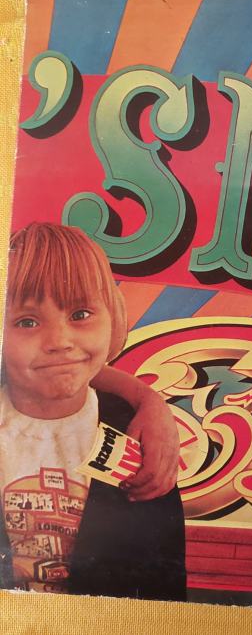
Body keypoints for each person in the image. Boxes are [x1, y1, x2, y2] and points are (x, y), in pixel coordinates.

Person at [0, 222, 186, 599]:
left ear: (111, 315)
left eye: (80, 314)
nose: (60, 341)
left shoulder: (138, 431)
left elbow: (162, 583)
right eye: (27, 321)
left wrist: (149, 401)